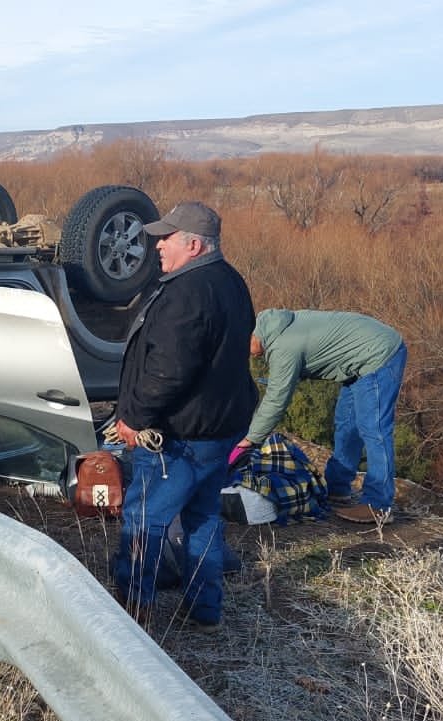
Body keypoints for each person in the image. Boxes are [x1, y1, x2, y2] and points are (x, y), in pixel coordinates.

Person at [109, 201, 257, 628]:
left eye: (166, 238)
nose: (158, 246)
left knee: (145, 518)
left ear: (193, 245)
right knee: (203, 516)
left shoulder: (186, 293)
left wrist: (134, 417)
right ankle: (205, 609)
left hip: (182, 435)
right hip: (221, 429)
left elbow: (168, 371)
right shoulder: (231, 281)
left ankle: (134, 613)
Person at [238, 309, 406, 524]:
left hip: (379, 355)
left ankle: (378, 505)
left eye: (244, 345)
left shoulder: (284, 347)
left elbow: (276, 400)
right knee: (346, 425)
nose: (249, 353)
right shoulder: (271, 328)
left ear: (253, 335)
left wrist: (251, 439)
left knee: (374, 430)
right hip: (358, 360)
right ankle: (338, 489)